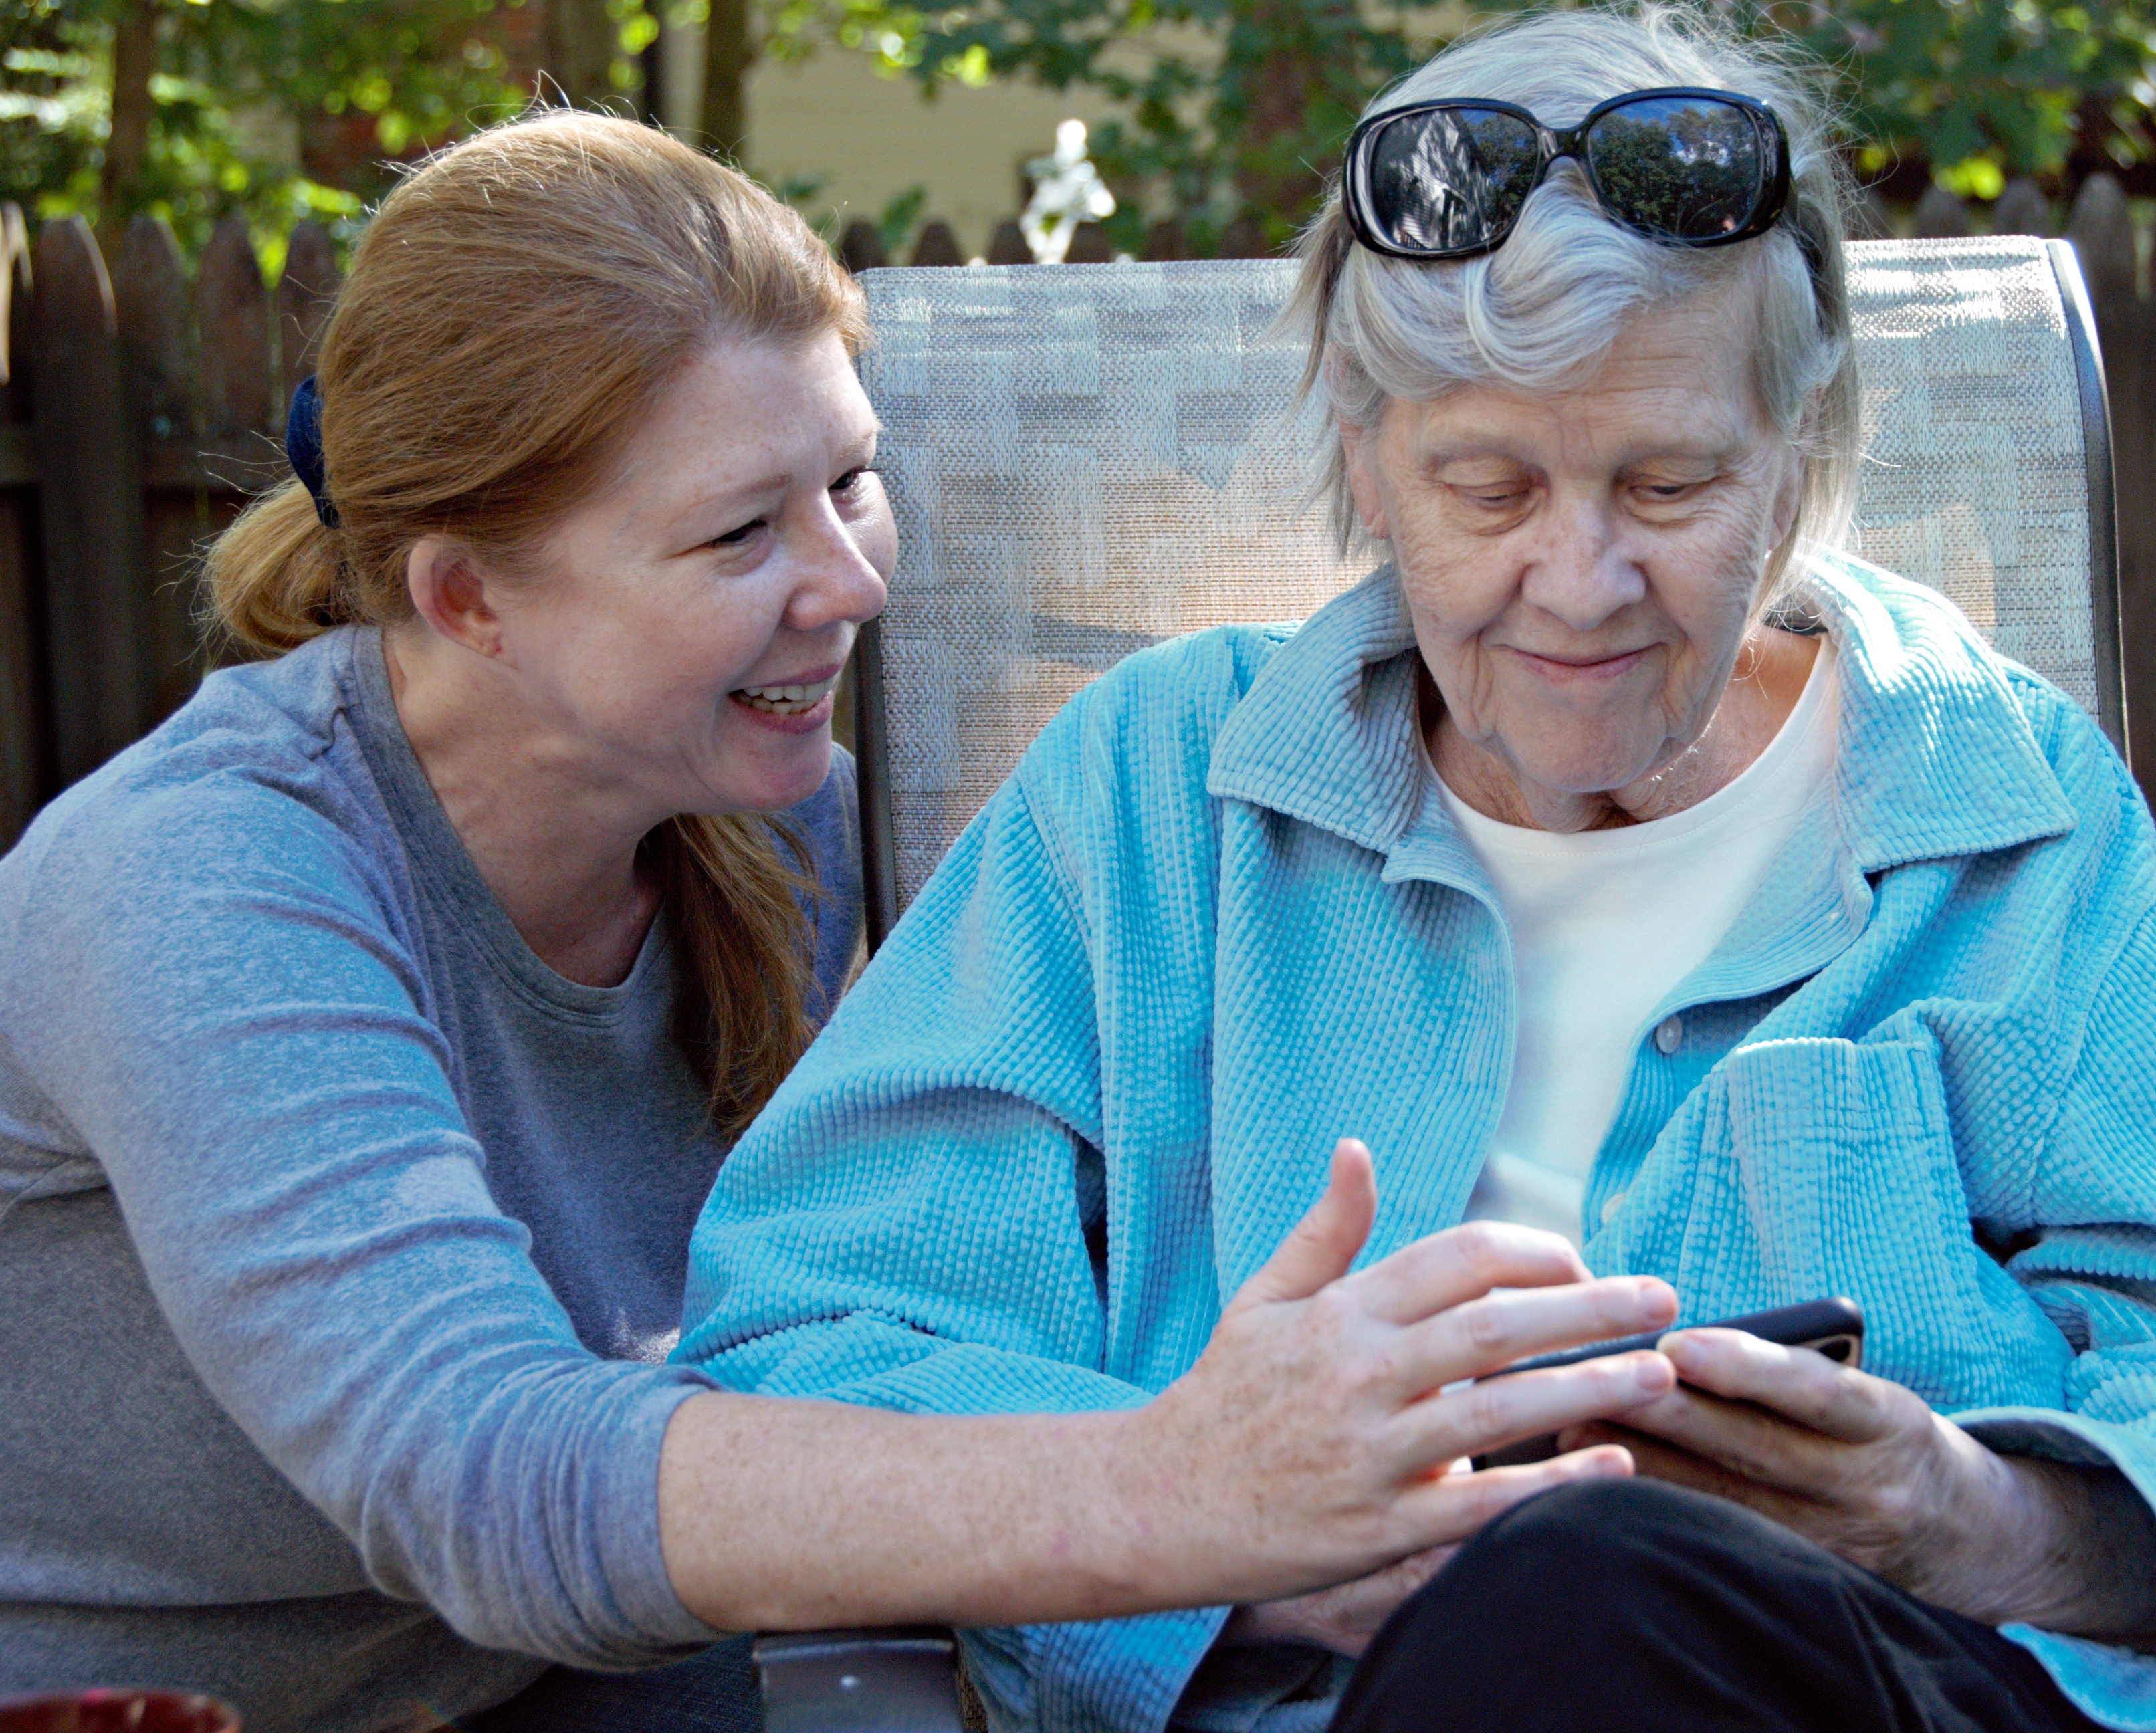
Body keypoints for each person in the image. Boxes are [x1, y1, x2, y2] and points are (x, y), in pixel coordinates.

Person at [677, 10, 2156, 1732]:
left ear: (1795, 455)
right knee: (1558, 1595)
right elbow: (793, 1350)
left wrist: (1962, 1511)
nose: (1582, 584)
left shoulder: (1993, 818)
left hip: (1848, 1679)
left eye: (1670, 485)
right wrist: (1210, 1522)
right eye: (1490, 489)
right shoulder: (1154, 805)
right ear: (1365, 463)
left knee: (1594, 1585)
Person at [0, 110, 1699, 1733]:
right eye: (744, 532)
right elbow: (492, 1480)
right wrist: (1191, 1492)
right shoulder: (203, 884)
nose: (858, 578)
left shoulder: (758, 814)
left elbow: (831, 1326)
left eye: (853, 480)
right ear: (467, 599)